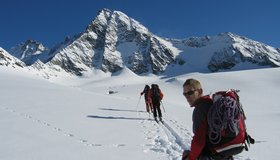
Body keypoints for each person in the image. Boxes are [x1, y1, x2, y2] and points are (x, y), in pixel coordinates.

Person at [182, 78, 233, 160]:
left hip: (211, 154)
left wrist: (190, 157)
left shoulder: (200, 109)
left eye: (190, 93)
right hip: (224, 154)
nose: (187, 96)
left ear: (200, 91)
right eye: (184, 94)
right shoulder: (211, 104)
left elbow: (199, 140)